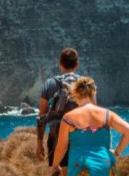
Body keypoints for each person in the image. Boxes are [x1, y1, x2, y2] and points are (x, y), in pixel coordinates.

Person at [50, 77, 129, 176]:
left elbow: (61, 148)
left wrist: (55, 166)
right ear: (93, 93)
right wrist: (116, 152)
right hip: (105, 165)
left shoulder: (68, 118)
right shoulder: (107, 114)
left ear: (75, 94)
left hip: (79, 166)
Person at [37, 48, 81, 176]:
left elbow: (42, 116)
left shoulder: (49, 84)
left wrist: (39, 144)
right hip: (79, 138)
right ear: (77, 64)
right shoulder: (85, 84)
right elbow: (94, 114)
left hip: (55, 137)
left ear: (60, 64)